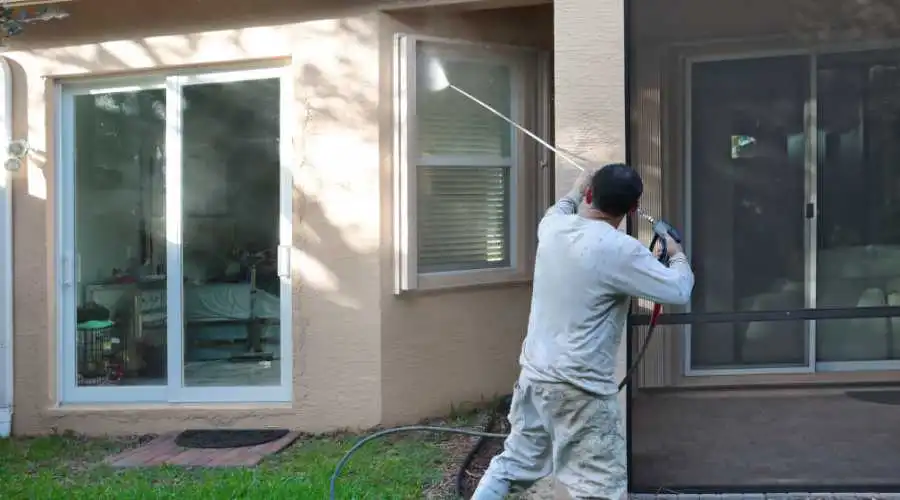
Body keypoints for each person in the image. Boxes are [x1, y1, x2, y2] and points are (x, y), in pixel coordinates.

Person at [471, 163, 695, 500]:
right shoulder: (622, 251)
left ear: (591, 194)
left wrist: (577, 187)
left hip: (535, 379)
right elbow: (679, 291)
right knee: (599, 489)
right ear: (633, 209)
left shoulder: (552, 228)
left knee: (513, 464)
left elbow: (561, 207)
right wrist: (676, 256)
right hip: (581, 391)